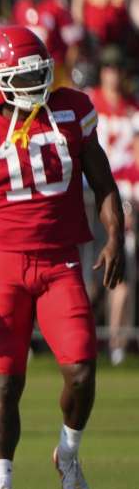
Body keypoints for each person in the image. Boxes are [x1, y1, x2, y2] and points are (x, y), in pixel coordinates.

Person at [0, 25, 123, 489]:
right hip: (7, 267)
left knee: (83, 372)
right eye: (22, 75)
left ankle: (67, 452)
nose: (34, 81)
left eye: (39, 70)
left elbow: (103, 181)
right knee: (7, 382)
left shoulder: (70, 108)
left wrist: (116, 238)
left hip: (62, 260)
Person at [85, 46, 138, 367]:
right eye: (108, 69)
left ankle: (117, 344)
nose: (114, 75)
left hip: (124, 197)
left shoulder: (132, 110)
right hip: (88, 198)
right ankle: (85, 341)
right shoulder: (89, 104)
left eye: (118, 69)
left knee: (123, 270)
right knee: (88, 274)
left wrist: (130, 200)